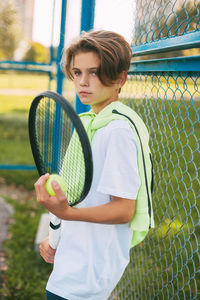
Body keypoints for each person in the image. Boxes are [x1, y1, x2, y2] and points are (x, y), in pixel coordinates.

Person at [35, 30, 153, 300]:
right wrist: (57, 240)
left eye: (95, 72)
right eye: (77, 72)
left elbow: (124, 210)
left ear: (120, 78)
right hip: (75, 255)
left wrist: (65, 212)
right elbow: (81, 196)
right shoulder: (90, 123)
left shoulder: (117, 131)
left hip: (90, 268)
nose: (83, 82)